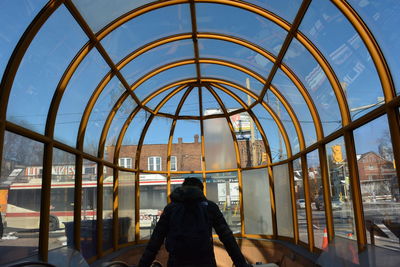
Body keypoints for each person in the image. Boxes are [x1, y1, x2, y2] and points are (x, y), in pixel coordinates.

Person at [138, 177, 251, 267]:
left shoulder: (170, 208)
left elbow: (155, 242)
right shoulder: (210, 207)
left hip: (177, 262)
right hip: (205, 261)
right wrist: (241, 263)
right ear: (201, 191)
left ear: (183, 189)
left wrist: (143, 264)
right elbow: (227, 238)